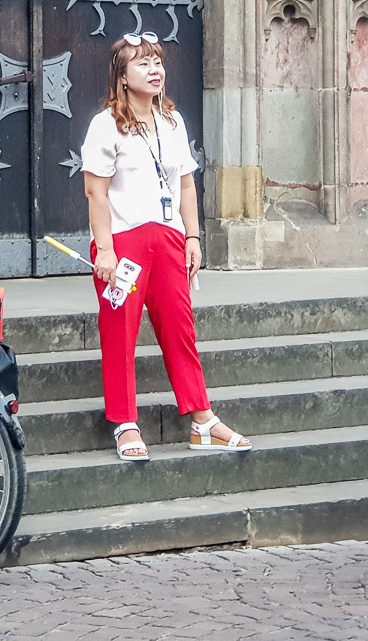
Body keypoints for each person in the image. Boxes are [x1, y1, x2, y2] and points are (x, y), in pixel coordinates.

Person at [80, 33, 249, 461]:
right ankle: (125, 423)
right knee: (120, 332)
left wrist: (192, 236)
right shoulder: (106, 125)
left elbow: (186, 184)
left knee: (179, 328)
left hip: (168, 238)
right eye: (143, 64)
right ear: (122, 77)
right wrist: (105, 250)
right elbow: (95, 192)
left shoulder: (172, 122)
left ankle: (202, 419)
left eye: (157, 61)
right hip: (125, 241)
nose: (155, 70)